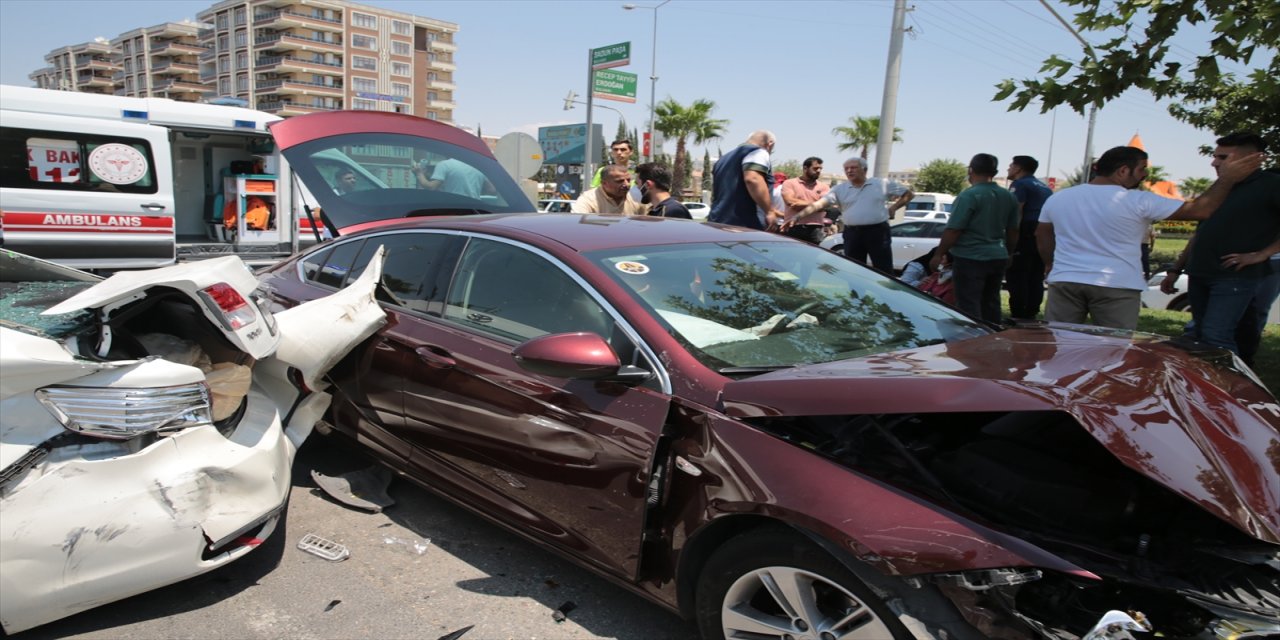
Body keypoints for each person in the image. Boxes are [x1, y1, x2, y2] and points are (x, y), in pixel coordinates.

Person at [1037, 144, 1262, 330]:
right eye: (1142, 169)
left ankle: (1059, 384)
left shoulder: (1059, 198)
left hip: (1066, 280)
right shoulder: (1139, 200)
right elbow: (1200, 211)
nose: (1144, 175)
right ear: (1123, 171)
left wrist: (1050, 263)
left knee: (1060, 342)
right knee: (1112, 350)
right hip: (1117, 285)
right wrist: (1227, 179)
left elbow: (1042, 233)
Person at [1159, 133, 1278, 356]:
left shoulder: (1271, 184)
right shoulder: (1221, 187)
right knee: (1198, 335)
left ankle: (1230, 388)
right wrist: (1176, 269)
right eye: (1215, 157)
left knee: (1216, 337)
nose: (1214, 162)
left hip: (1234, 277)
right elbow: (1200, 233)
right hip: (1199, 272)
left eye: (1223, 157)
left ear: (1252, 158)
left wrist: (1261, 254)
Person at [929, 154, 1019, 323]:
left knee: (968, 305)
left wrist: (939, 253)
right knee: (991, 303)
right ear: (995, 171)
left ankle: (972, 342)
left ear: (971, 170)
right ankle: (992, 338)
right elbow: (1013, 230)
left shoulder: (969, 195)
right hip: (997, 256)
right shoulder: (1008, 196)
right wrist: (1010, 253)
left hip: (970, 257)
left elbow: (954, 229)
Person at [789, 157, 912, 271]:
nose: (849, 171)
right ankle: (857, 294)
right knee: (854, 269)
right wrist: (797, 216)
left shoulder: (881, 184)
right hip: (852, 233)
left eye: (853, 167)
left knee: (883, 268)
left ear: (864, 170)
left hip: (877, 232)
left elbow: (908, 194)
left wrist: (894, 208)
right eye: (846, 169)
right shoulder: (840, 189)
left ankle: (887, 294)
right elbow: (818, 205)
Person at [1004, 155, 1054, 320]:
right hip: (1042, 234)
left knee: (1018, 275)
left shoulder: (1019, 185)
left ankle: (1018, 314)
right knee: (1035, 276)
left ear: (1018, 168)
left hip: (1025, 233)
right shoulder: (1044, 187)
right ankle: (1031, 312)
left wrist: (1011, 239)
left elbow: (1016, 212)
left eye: (1011, 165)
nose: (1008, 168)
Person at [708, 130, 784, 230]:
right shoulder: (758, 152)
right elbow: (752, 179)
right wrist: (769, 211)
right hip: (746, 224)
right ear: (770, 143)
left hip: (718, 221)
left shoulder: (723, 159)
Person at [779, 157, 831, 244]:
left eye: (820, 168)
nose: (818, 171)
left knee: (813, 256)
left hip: (815, 228)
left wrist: (800, 203)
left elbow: (825, 206)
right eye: (815, 168)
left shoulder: (824, 187)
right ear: (805, 168)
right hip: (792, 226)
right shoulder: (789, 183)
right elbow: (791, 202)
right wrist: (817, 205)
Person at [571, 164, 645, 215]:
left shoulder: (635, 197)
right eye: (619, 181)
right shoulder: (588, 199)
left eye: (628, 180)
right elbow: (577, 222)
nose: (627, 185)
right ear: (604, 183)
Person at [417, 157, 488, 198]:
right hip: (475, 210)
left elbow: (431, 187)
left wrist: (419, 173)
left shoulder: (444, 164)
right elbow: (492, 190)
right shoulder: (477, 168)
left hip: (453, 209)